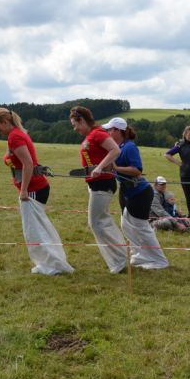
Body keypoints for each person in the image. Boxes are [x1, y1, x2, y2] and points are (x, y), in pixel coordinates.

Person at [0, 107, 73, 275]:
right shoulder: (14, 135)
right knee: (36, 228)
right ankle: (50, 263)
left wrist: (24, 190)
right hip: (34, 187)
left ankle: (52, 266)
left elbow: (28, 164)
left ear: (5, 121)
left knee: (35, 231)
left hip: (33, 189)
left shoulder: (15, 137)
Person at [105, 117, 169, 269]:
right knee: (126, 224)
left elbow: (137, 170)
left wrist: (116, 168)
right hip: (127, 191)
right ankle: (140, 255)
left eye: (110, 129)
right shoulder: (117, 147)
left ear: (118, 131)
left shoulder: (129, 147)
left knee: (142, 227)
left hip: (140, 192)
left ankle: (159, 260)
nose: (107, 132)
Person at [70, 106, 127, 274]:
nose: (75, 129)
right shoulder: (90, 135)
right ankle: (120, 257)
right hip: (95, 184)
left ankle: (120, 259)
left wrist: (100, 167)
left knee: (97, 222)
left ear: (82, 120)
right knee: (101, 221)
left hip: (103, 183)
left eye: (75, 124)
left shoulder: (98, 133)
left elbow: (115, 150)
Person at [164, 126, 190, 224]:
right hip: (185, 175)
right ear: (185, 135)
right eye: (189, 135)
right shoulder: (180, 145)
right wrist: (178, 163)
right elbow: (167, 154)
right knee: (189, 197)